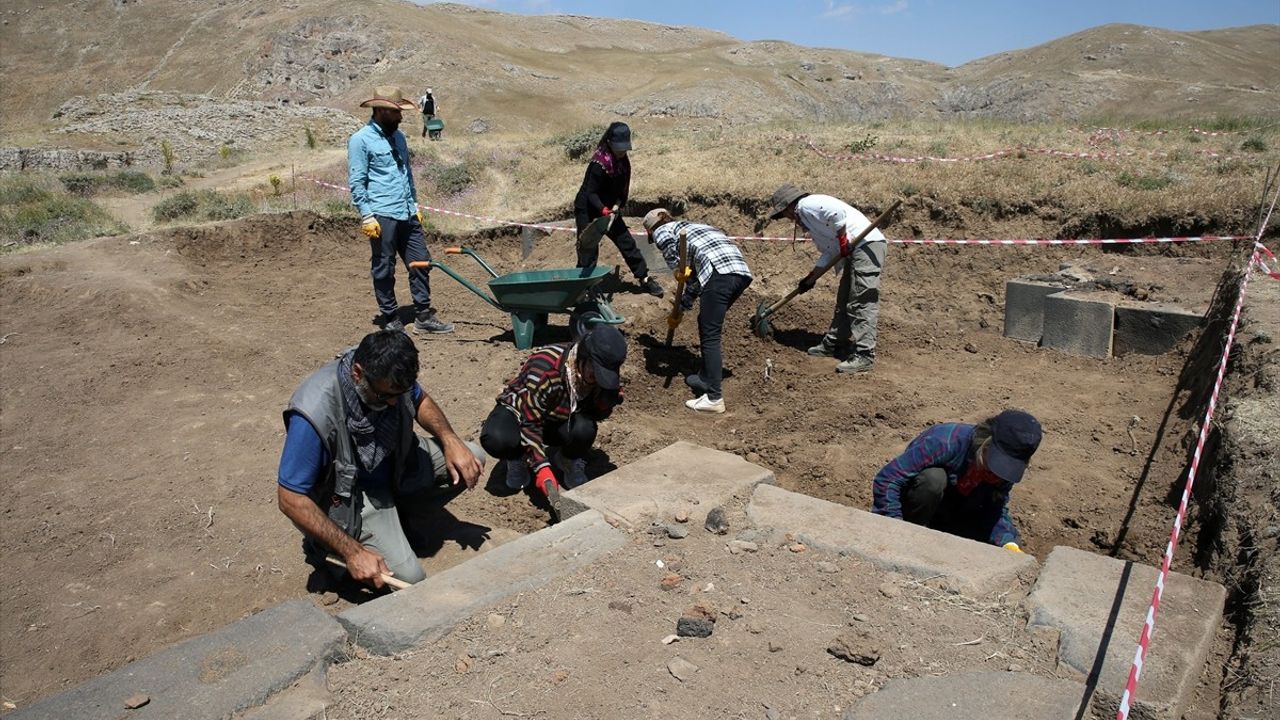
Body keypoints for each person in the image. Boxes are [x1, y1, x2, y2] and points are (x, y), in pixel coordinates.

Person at [276, 330, 486, 588]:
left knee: (472, 457)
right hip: (351, 494)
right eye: (386, 396)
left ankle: (402, 517)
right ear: (358, 373)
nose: (396, 402)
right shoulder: (315, 412)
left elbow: (420, 400)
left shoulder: (390, 376)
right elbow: (290, 499)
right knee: (410, 578)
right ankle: (323, 549)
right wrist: (353, 552)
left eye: (401, 393)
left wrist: (450, 438)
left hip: (395, 460)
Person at [480, 325, 627, 520]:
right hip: (522, 412)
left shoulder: (598, 374)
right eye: (595, 373)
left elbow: (592, 415)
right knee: (497, 439)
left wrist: (604, 404)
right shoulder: (545, 368)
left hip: (558, 415)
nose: (597, 379)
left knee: (585, 429)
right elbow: (530, 421)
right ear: (584, 357)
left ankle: (566, 460)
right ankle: (517, 458)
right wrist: (542, 469)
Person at [348, 86, 453, 335]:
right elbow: (356, 181)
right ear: (382, 111)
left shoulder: (399, 137)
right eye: (396, 112)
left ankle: (423, 316)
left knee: (421, 262)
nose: (401, 117)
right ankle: (390, 317)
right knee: (384, 267)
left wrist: (414, 205)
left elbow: (407, 175)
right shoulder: (360, 140)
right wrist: (367, 215)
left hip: (406, 212)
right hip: (381, 214)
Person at [871, 410, 1043, 551]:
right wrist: (894, 527)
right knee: (933, 479)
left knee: (1009, 542)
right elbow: (888, 479)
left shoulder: (1004, 472)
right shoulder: (945, 441)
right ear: (986, 442)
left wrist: (1008, 542)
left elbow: (995, 508)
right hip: (918, 508)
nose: (996, 475)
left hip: (959, 513)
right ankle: (915, 532)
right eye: (995, 464)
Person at [766, 184, 887, 374]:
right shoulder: (809, 220)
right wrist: (810, 278)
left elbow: (837, 213)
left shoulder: (807, 205)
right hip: (855, 249)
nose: (787, 219)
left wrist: (843, 240)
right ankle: (835, 342)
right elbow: (830, 251)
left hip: (866, 244)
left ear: (788, 206)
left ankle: (865, 355)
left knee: (861, 300)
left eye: (784, 213)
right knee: (845, 298)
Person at [643, 208, 753, 414]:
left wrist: (676, 268)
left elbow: (669, 248)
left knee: (710, 333)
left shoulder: (662, 231)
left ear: (650, 231)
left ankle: (714, 397)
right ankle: (705, 377)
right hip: (740, 273)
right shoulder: (696, 227)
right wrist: (682, 308)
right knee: (706, 321)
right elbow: (695, 282)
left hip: (719, 274)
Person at [573, 122, 664, 298]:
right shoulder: (599, 164)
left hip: (610, 209)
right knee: (588, 248)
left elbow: (622, 186)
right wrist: (603, 210)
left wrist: (619, 203)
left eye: (624, 148)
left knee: (626, 242)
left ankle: (644, 278)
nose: (622, 152)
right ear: (609, 142)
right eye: (618, 148)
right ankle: (582, 287)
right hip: (589, 208)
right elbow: (591, 193)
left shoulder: (623, 162)